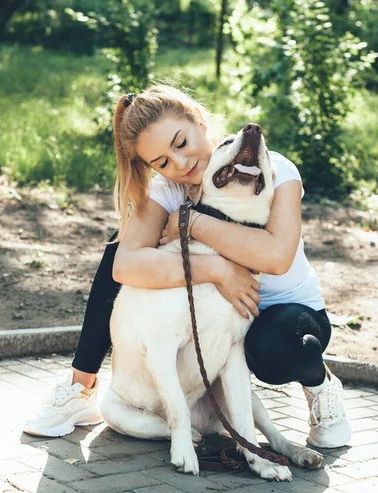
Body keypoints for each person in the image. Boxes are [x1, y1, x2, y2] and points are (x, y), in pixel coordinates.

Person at [23, 84, 351, 449]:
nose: (179, 164)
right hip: (219, 319)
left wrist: (192, 222)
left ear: (199, 120)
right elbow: (125, 266)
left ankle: (321, 385)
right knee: (116, 250)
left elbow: (276, 257)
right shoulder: (169, 189)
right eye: (161, 162)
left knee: (277, 345)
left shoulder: (270, 167)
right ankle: (79, 388)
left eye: (180, 143)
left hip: (284, 315)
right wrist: (215, 270)